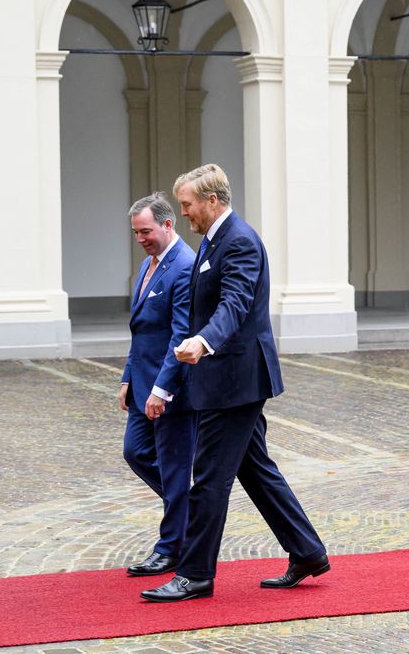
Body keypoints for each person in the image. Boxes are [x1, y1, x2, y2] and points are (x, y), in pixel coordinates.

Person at [141, 164, 328, 602]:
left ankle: (195, 575)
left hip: (235, 380)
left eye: (187, 205)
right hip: (225, 377)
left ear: (212, 201)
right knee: (256, 470)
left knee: (207, 478)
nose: (184, 213)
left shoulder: (239, 240)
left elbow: (236, 304)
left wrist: (204, 341)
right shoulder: (213, 239)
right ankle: (308, 551)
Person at [119, 193, 197, 577]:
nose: (140, 239)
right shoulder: (149, 262)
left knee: (174, 465)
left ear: (168, 225)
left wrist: (161, 389)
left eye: (145, 231)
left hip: (171, 390)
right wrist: (128, 378)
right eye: (135, 233)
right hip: (141, 383)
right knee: (135, 453)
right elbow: (141, 331)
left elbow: (180, 336)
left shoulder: (184, 266)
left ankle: (171, 548)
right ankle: (190, 509)